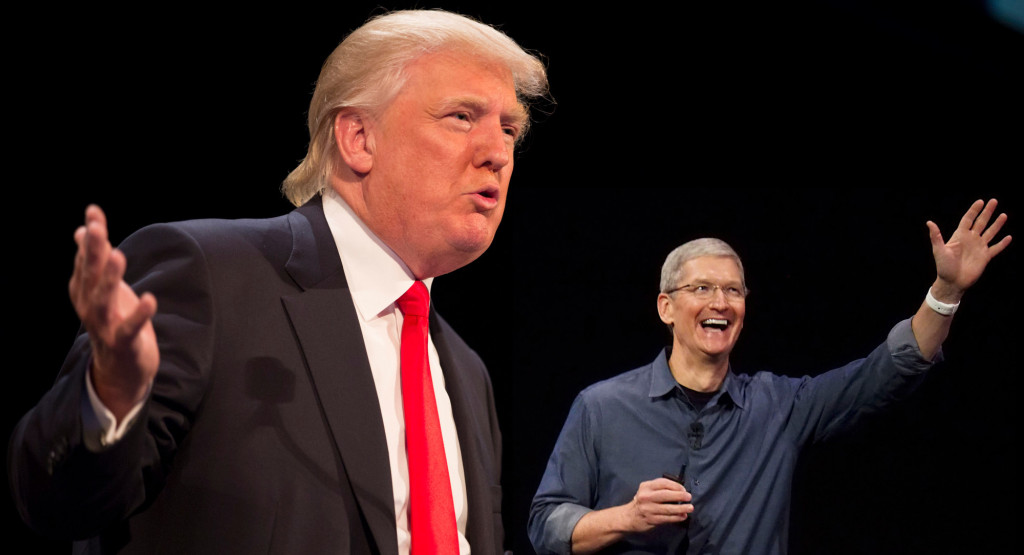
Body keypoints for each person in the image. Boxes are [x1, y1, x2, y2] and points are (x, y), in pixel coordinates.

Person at [9, 9, 548, 554]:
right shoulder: (211, 276)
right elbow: (57, 502)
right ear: (359, 137)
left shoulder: (466, 370)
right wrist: (109, 396)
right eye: (461, 117)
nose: (499, 154)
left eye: (509, 129)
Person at [528, 199, 1011, 554]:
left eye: (733, 291)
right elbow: (546, 524)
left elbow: (886, 372)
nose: (720, 302)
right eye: (702, 288)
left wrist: (945, 291)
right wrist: (626, 517)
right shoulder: (601, 406)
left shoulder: (780, 406)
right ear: (666, 307)